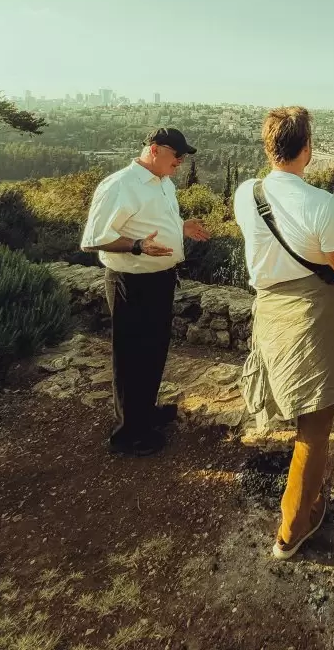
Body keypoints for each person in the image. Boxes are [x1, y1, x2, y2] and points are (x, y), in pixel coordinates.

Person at [234, 106, 334, 560]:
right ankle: (293, 526)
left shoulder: (246, 193)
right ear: (308, 151)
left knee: (297, 415)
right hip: (311, 320)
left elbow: (287, 236)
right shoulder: (323, 205)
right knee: (314, 429)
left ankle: (299, 509)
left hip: (269, 313)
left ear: (268, 146)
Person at [81, 127, 210, 456]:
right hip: (131, 282)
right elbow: (94, 237)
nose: (180, 162)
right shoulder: (121, 185)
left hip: (159, 280)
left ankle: (144, 413)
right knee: (130, 356)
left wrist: (181, 227)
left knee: (153, 351)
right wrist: (137, 246)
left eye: (183, 156)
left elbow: (150, 220)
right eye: (176, 155)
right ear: (155, 149)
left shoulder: (163, 182)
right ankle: (128, 435)